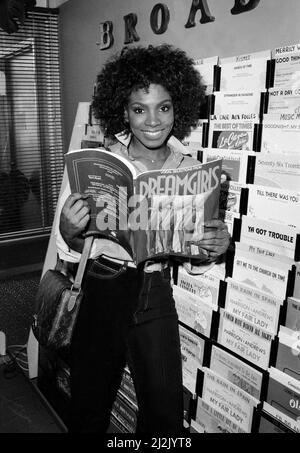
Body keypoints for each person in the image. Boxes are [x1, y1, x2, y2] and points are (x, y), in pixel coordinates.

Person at [55, 44, 230, 433]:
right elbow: (72, 245)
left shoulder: (191, 169)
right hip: (103, 284)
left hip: (154, 289)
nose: (153, 120)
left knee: (165, 415)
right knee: (89, 404)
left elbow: (197, 253)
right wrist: (70, 231)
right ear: (124, 111)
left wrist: (215, 246)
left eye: (163, 107)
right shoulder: (99, 164)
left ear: (177, 108)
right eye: (139, 109)